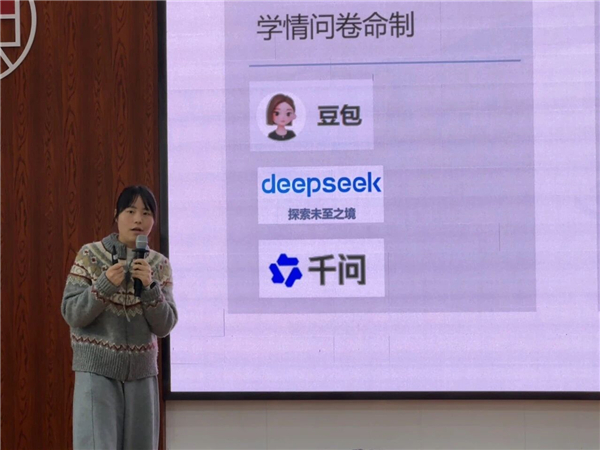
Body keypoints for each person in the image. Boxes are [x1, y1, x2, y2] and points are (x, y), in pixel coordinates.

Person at [61, 185, 177, 450]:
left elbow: (165, 325)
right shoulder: (90, 255)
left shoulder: (159, 265)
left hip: (142, 375)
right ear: (116, 214)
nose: (138, 219)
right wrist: (103, 286)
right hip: (97, 372)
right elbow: (72, 313)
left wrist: (150, 289)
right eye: (130, 211)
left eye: (146, 213)